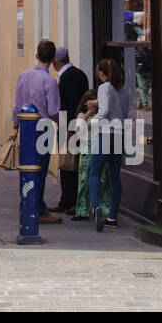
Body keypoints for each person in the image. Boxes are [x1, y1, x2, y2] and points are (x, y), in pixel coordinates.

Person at [14, 39, 62, 224]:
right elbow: (54, 111)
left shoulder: (22, 76)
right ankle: (39, 209)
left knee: (26, 167)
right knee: (40, 170)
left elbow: (17, 104)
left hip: (26, 129)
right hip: (43, 129)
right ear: (53, 59)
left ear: (36, 55)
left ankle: (26, 204)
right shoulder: (50, 82)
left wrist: (14, 126)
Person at [90, 58, 130, 231]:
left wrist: (92, 120)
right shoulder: (124, 90)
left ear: (101, 73)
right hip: (120, 134)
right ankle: (113, 216)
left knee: (95, 173)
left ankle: (95, 206)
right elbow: (126, 113)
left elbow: (104, 110)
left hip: (106, 133)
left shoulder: (103, 87)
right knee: (115, 176)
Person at [51, 47, 90, 214]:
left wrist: (69, 129)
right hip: (76, 126)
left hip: (70, 129)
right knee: (72, 165)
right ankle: (68, 200)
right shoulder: (78, 73)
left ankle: (69, 202)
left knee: (68, 166)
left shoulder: (67, 78)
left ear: (55, 62)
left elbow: (72, 105)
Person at [71, 91, 110, 221]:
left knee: (102, 178)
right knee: (84, 179)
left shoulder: (101, 116)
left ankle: (103, 208)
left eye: (96, 102)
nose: (94, 105)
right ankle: (82, 209)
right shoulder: (82, 115)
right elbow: (78, 130)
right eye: (91, 102)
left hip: (98, 147)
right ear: (86, 103)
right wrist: (85, 118)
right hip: (85, 148)